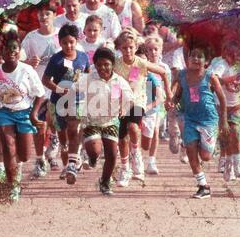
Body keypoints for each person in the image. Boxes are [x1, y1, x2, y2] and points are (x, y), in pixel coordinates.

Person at [0, 33, 45, 203]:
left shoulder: (27, 71)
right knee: (8, 146)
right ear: (2, 52)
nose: (11, 52)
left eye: (14, 48)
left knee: (24, 156)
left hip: (24, 113)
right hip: (4, 111)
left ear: (19, 51)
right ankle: (12, 184)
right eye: (7, 49)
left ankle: (18, 168)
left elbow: (40, 94)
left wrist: (34, 113)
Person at [113, 30, 173, 187]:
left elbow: (163, 72)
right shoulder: (116, 65)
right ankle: (125, 169)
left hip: (138, 102)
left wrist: (169, 92)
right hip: (121, 104)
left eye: (131, 47)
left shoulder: (140, 63)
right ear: (120, 48)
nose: (128, 51)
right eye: (125, 48)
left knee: (133, 127)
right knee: (122, 138)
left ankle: (137, 155)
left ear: (135, 47)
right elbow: (114, 85)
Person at [71, 47, 133, 194]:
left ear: (112, 65)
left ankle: (105, 183)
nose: (102, 68)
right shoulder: (88, 78)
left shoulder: (119, 81)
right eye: (99, 65)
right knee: (95, 151)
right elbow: (73, 90)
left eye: (106, 64)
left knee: (112, 154)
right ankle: (91, 157)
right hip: (91, 121)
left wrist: (123, 109)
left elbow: (129, 99)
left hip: (111, 121)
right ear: (95, 66)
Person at [172, 47, 229, 199]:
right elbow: (177, 95)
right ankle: (203, 186)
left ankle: (208, 145)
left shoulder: (210, 76)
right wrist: (172, 102)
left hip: (208, 119)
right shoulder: (182, 75)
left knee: (205, 156)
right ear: (187, 59)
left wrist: (223, 121)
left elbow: (222, 99)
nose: (196, 59)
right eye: (193, 56)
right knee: (190, 148)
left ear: (206, 62)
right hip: (190, 118)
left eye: (200, 56)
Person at [42, 24, 90, 185]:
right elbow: (45, 80)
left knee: (73, 129)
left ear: (76, 41)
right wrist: (58, 88)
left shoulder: (83, 57)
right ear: (60, 43)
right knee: (63, 138)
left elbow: (88, 76)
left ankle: (71, 165)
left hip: (77, 101)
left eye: (71, 42)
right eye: (64, 43)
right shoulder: (56, 59)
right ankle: (67, 164)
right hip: (58, 103)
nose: (68, 46)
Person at [21, 0, 62, 173]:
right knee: (39, 123)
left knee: (53, 122)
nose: (44, 17)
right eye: (41, 14)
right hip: (37, 87)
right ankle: (40, 160)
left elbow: (73, 53)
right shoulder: (31, 37)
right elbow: (19, 59)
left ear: (54, 15)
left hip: (57, 86)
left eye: (48, 13)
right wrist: (28, 61)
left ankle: (54, 140)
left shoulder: (60, 35)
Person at [208, 41, 240, 181]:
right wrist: (233, 78)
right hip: (221, 106)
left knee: (235, 132)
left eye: (236, 55)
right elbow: (215, 79)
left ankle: (238, 162)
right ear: (225, 55)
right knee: (225, 136)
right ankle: (228, 162)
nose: (234, 58)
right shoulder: (221, 64)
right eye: (231, 55)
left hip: (237, 106)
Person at [141, 35, 172, 175]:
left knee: (154, 130)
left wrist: (168, 100)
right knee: (142, 134)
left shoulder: (164, 67)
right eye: (149, 49)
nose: (153, 52)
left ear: (161, 50)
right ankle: (135, 156)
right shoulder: (141, 64)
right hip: (142, 101)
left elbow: (167, 86)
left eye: (155, 49)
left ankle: (152, 161)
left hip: (158, 103)